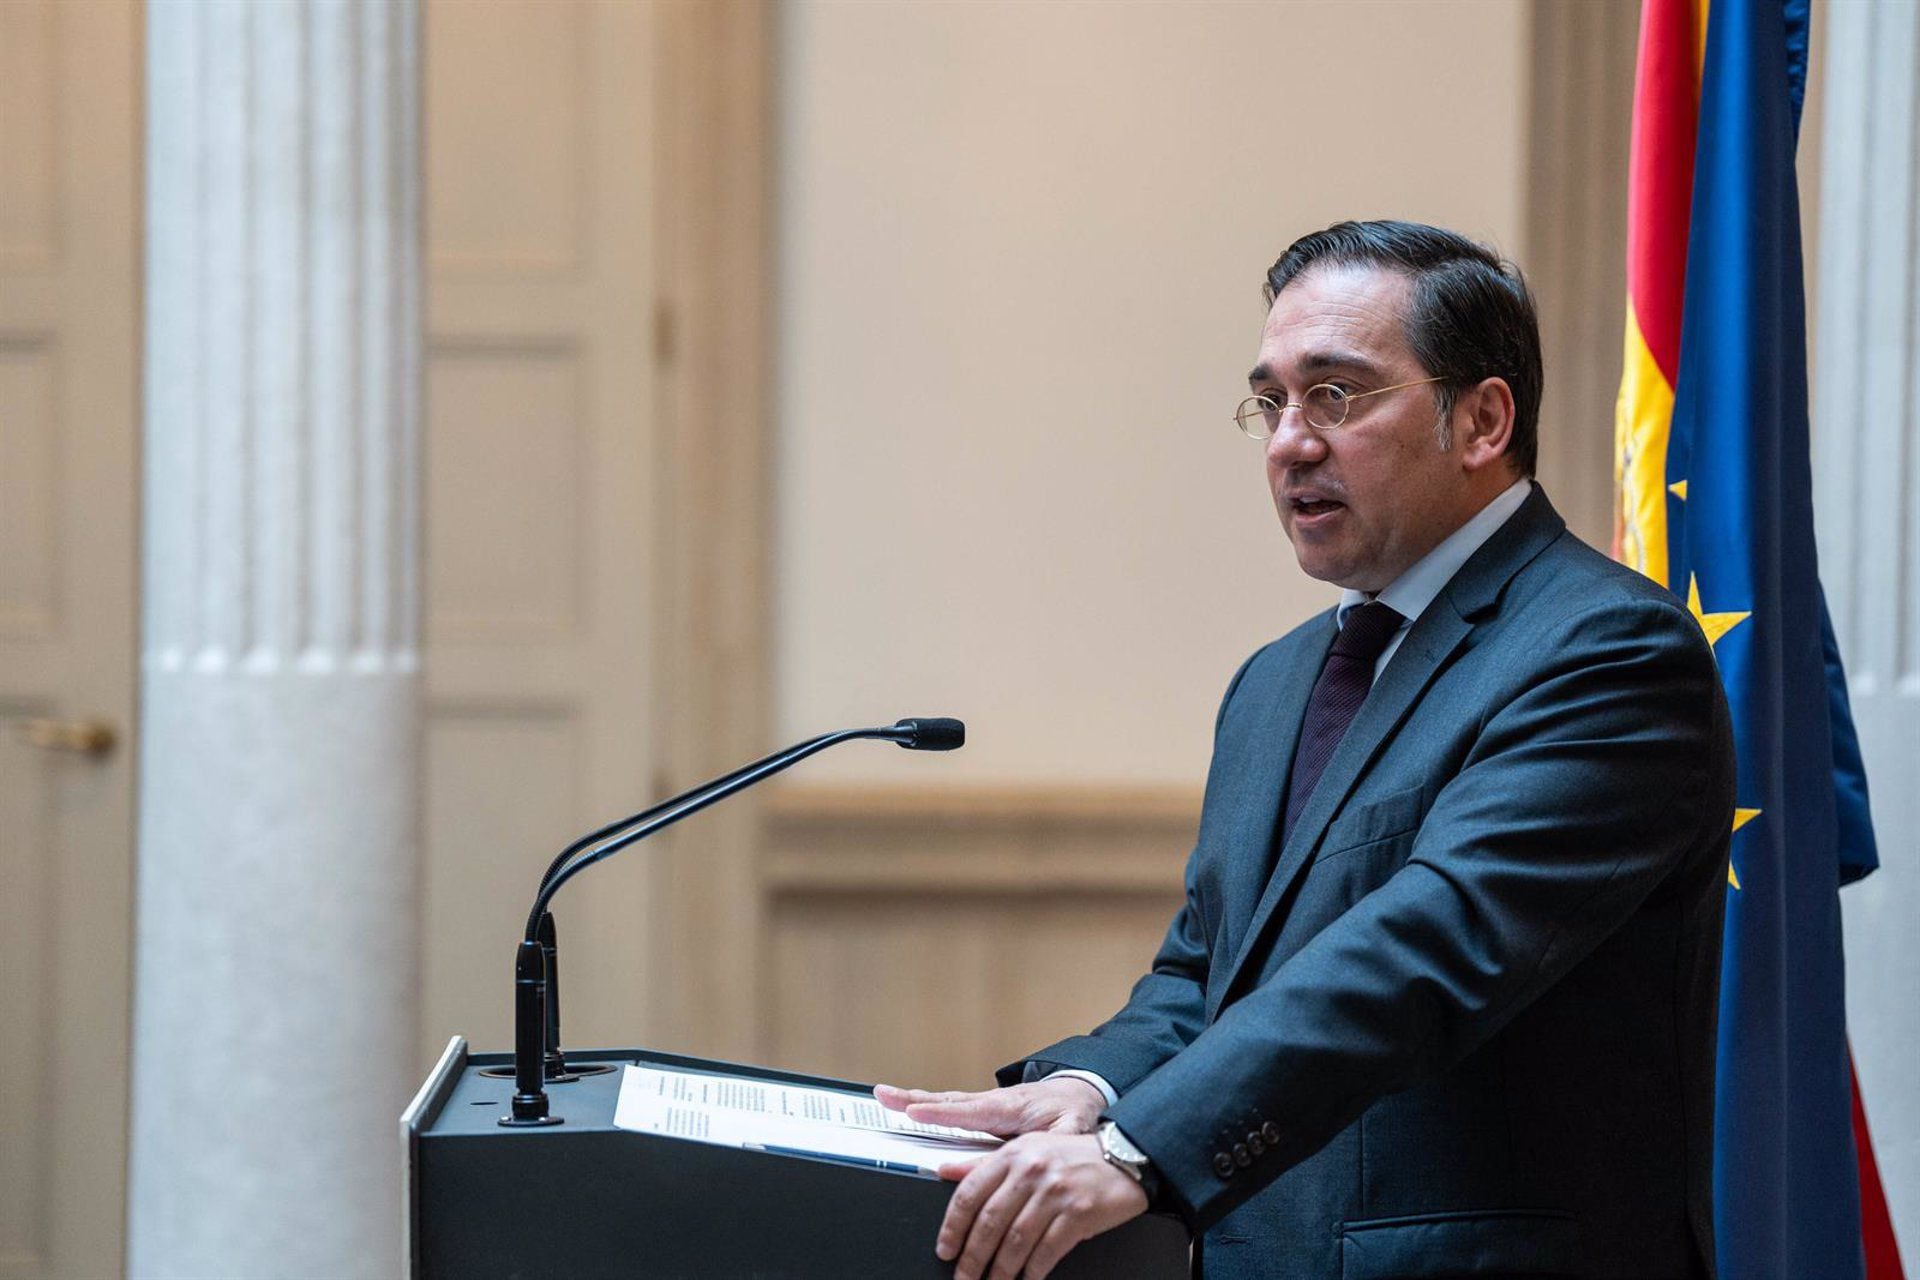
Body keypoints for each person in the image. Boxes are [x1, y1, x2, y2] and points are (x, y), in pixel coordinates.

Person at [876, 220, 1735, 1280]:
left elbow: (1431, 945)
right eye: (1272, 401)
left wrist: (1144, 1146)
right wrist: (1096, 1087)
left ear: (1483, 419)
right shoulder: (1276, 681)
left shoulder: (1604, 649)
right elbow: (1208, 970)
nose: (1290, 440)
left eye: (1336, 394)